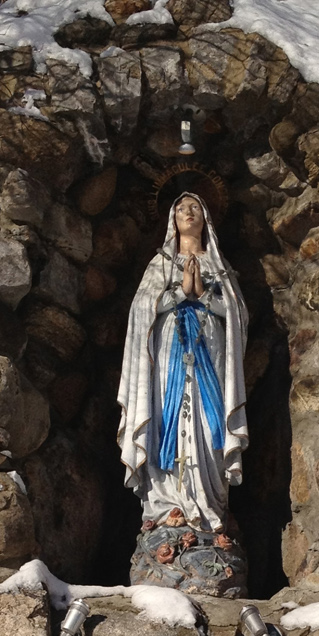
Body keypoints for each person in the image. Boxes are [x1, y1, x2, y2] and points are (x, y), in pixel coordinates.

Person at [117, 192, 248, 534]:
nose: (187, 213)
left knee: (208, 425)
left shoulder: (219, 266)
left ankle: (209, 506)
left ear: (206, 218)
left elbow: (238, 318)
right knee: (166, 423)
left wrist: (203, 293)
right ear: (171, 220)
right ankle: (167, 506)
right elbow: (140, 311)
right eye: (180, 209)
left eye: (195, 208)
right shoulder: (160, 263)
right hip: (168, 360)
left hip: (210, 358)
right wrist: (178, 293)